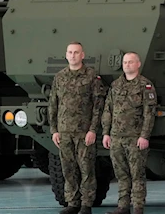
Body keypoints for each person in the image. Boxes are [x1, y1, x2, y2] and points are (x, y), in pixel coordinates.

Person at [48, 42, 106, 214]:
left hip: (84, 132)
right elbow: (53, 104)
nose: (73, 55)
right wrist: (54, 130)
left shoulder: (91, 77)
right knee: (68, 169)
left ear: (83, 55)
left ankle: (86, 204)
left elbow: (98, 106)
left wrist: (93, 130)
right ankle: (72, 203)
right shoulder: (60, 77)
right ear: (66, 55)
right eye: (70, 52)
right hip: (64, 132)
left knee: (86, 168)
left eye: (76, 52)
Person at [102, 52, 157, 214]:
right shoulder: (116, 85)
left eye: (131, 62)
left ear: (138, 64)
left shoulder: (145, 86)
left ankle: (138, 207)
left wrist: (144, 136)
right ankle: (123, 207)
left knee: (137, 174)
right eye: (125, 62)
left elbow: (149, 113)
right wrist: (106, 133)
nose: (127, 65)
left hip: (135, 138)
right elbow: (108, 110)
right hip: (116, 138)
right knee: (121, 174)